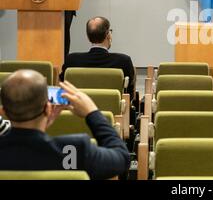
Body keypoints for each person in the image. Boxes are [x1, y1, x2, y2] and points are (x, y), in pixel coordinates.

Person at [0, 70, 130, 179]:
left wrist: (42, 124)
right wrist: (93, 113)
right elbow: (122, 158)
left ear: (3, 112)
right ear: (47, 109)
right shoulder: (74, 150)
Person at [59, 16, 135, 96]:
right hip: (112, 107)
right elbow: (129, 94)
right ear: (108, 35)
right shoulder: (123, 61)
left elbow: (62, 86)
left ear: (88, 37)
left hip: (78, 107)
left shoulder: (72, 60)